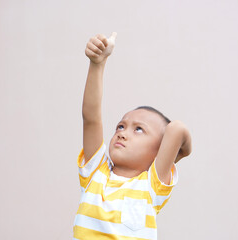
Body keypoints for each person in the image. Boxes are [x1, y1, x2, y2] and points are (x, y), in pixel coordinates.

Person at [73, 32, 192, 240]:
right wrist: (97, 64)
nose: (123, 134)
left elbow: (177, 129)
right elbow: (91, 117)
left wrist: (180, 153)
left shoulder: (151, 186)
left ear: (159, 151)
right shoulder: (95, 173)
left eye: (139, 129)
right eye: (120, 126)